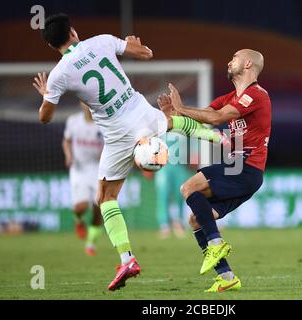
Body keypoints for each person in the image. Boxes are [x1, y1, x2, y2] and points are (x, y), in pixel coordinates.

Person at [33, 13, 226, 291]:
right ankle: (217, 136)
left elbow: (45, 117)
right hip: (140, 110)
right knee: (171, 122)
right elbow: (145, 53)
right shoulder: (101, 41)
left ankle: (127, 259)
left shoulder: (59, 74)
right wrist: (134, 43)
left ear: (52, 46)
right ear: (73, 31)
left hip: (117, 133)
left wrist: (46, 96)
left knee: (105, 198)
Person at [162, 49, 272, 292]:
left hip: (245, 167)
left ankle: (216, 242)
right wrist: (173, 119)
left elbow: (218, 117)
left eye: (234, 57)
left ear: (247, 64)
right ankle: (227, 276)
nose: (229, 61)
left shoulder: (256, 95)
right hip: (242, 172)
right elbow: (202, 120)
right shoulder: (230, 97)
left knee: (188, 187)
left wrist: (181, 108)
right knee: (196, 219)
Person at [62, 101, 104, 256]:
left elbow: (109, 144)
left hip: (97, 169)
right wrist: (69, 155)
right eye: (84, 102)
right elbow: (66, 141)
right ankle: (78, 219)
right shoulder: (73, 121)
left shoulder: (103, 123)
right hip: (79, 169)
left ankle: (91, 244)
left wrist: (105, 155)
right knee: (82, 206)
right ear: (80, 103)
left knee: (98, 208)